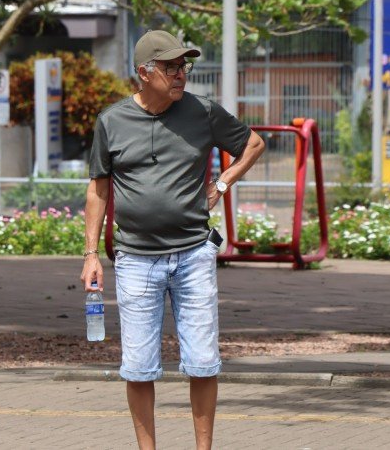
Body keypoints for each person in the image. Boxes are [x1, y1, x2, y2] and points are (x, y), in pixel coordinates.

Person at [80, 30, 265, 450]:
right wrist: (91, 254)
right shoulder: (112, 121)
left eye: (184, 66)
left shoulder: (201, 111)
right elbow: (99, 189)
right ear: (144, 73)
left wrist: (224, 182)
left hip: (194, 255)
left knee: (202, 362)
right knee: (139, 367)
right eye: (171, 67)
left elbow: (253, 144)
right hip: (135, 261)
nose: (181, 74)